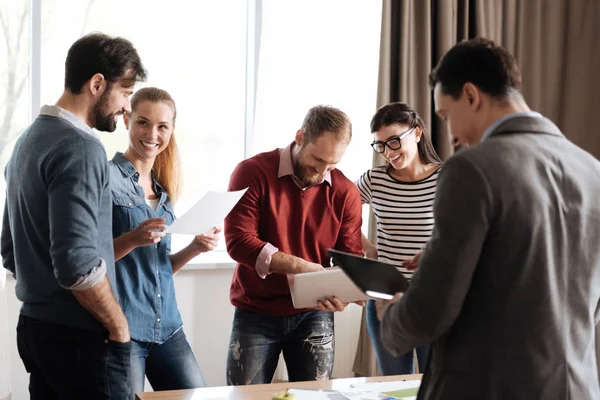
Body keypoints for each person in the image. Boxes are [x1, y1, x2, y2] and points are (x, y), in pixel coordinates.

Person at [378, 37, 600, 399]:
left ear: (471, 95)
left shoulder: (471, 169)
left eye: (446, 116)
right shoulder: (593, 171)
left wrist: (389, 312)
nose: (450, 137)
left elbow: (429, 312)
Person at [1, 33, 146, 399]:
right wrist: (119, 326)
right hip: (80, 339)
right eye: (125, 93)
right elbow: (77, 263)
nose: (126, 108)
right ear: (97, 84)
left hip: (35, 330)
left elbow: (9, 248)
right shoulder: (81, 148)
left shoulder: (27, 141)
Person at [224, 105, 363, 384]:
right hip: (256, 311)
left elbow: (350, 258)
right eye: (317, 159)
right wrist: (301, 267)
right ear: (300, 137)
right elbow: (239, 242)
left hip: (315, 313)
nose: (323, 170)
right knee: (244, 397)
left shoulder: (346, 192)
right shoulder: (251, 172)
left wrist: (345, 294)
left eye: (332, 163)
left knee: (315, 397)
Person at [109, 87, 219, 395]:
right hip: (125, 330)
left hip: (167, 326)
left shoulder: (164, 192)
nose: (152, 134)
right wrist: (131, 239)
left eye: (162, 126)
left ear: (171, 130)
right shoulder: (106, 178)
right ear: (127, 120)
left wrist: (195, 249)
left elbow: (158, 269)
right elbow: (92, 260)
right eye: (143, 122)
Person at [356, 102, 442, 375]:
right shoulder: (375, 179)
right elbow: (337, 213)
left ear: (417, 133)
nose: (388, 152)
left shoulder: (447, 177)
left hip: (433, 298)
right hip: (385, 296)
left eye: (394, 141)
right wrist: (367, 247)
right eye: (380, 145)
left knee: (435, 387)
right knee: (393, 385)